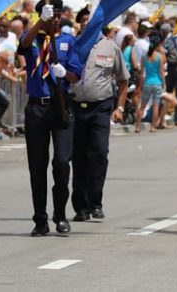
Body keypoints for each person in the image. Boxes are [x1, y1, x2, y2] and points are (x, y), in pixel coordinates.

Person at [18, 0, 82, 236]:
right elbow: (23, 46)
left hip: (60, 106)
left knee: (62, 163)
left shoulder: (67, 41)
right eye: (50, 16)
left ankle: (61, 214)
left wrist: (65, 73)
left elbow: (77, 75)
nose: (55, 20)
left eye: (57, 16)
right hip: (37, 107)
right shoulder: (33, 39)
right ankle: (40, 219)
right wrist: (38, 24)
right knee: (37, 166)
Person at [70, 23, 129, 222]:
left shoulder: (110, 47)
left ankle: (95, 202)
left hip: (101, 107)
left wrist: (119, 108)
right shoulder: (73, 45)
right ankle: (81, 207)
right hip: (76, 106)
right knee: (78, 157)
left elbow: (123, 80)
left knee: (99, 153)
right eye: (85, 20)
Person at [136, 33, 166, 133]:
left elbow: (141, 74)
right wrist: (164, 84)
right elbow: (161, 72)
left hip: (147, 83)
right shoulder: (159, 56)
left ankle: (137, 126)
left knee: (142, 106)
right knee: (156, 105)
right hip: (157, 82)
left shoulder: (144, 57)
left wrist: (140, 86)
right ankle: (153, 127)